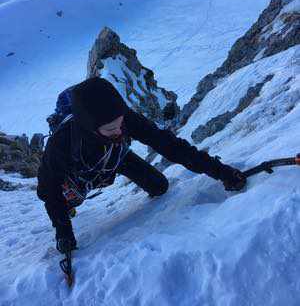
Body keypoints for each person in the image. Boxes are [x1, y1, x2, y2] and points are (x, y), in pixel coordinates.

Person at [37, 77, 246, 254]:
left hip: (114, 158)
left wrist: (221, 172)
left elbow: (170, 146)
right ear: (90, 127)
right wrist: (63, 232)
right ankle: (69, 205)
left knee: (159, 186)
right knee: (65, 200)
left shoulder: (124, 119)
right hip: (78, 173)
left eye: (121, 125)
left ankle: (75, 196)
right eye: (111, 129)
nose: (120, 131)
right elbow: (48, 188)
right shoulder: (62, 142)